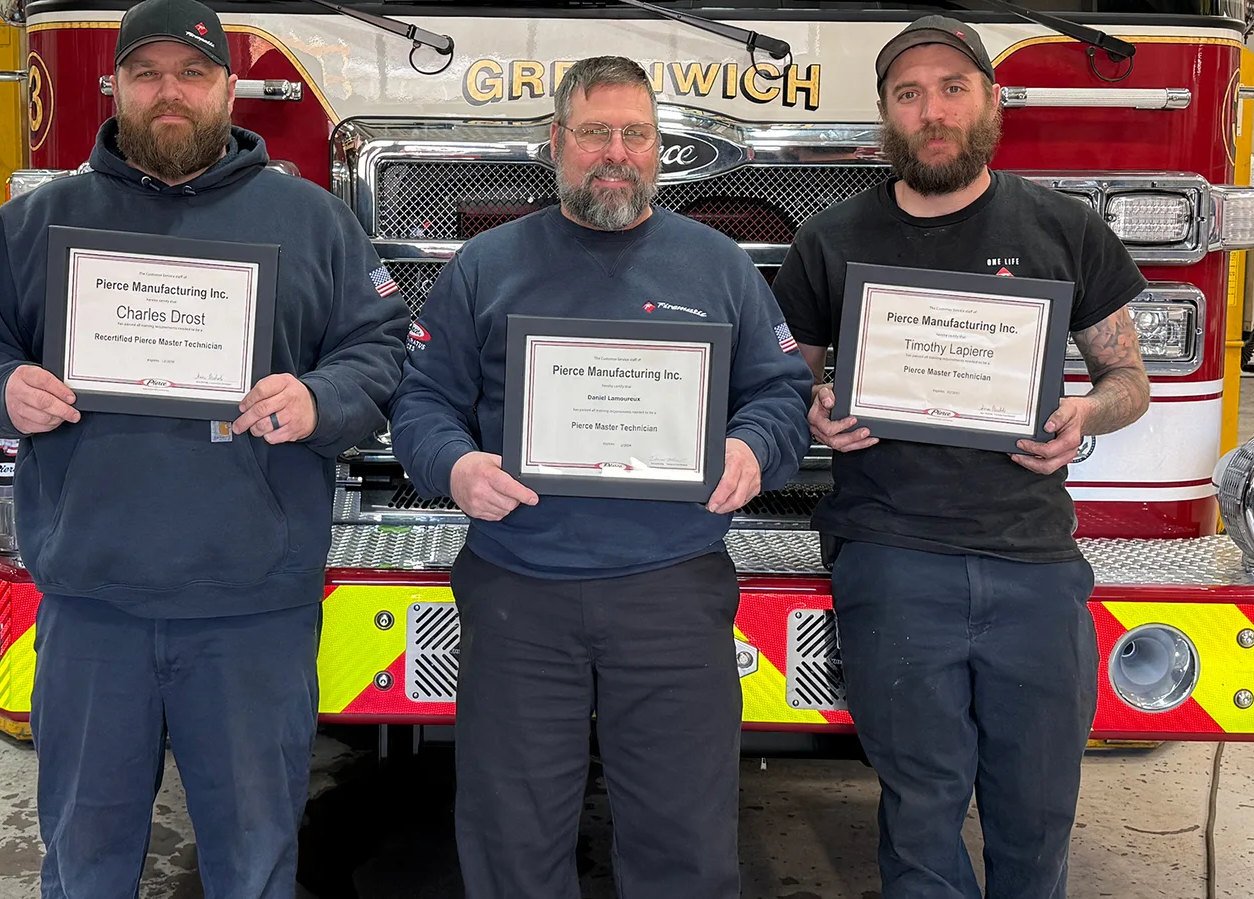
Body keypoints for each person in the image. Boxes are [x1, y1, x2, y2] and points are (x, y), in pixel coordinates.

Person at [0, 0, 409, 895]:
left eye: (192, 74)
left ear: (229, 88)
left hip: (251, 612)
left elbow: (381, 349)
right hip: (91, 608)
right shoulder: (39, 222)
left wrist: (319, 397)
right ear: (115, 87)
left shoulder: (313, 222)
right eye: (147, 74)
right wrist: (2, 387)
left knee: (255, 860)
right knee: (85, 859)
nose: (170, 93)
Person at [389, 55, 812, 899]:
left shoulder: (718, 265)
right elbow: (421, 403)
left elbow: (781, 395)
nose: (614, 152)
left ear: (659, 150)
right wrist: (457, 465)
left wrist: (753, 447)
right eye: (594, 133)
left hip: (672, 592)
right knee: (512, 847)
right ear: (556, 144)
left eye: (635, 134)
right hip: (518, 593)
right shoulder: (486, 264)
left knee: (685, 850)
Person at [771, 16, 1152, 899]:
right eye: (909, 95)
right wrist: (814, 410)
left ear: (990, 103)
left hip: (1036, 564)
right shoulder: (830, 240)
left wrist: (1087, 411)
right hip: (893, 559)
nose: (931, 110)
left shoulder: (1063, 227)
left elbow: (1127, 375)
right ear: (885, 119)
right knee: (921, 811)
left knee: (1038, 811)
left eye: (951, 88)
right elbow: (784, 383)